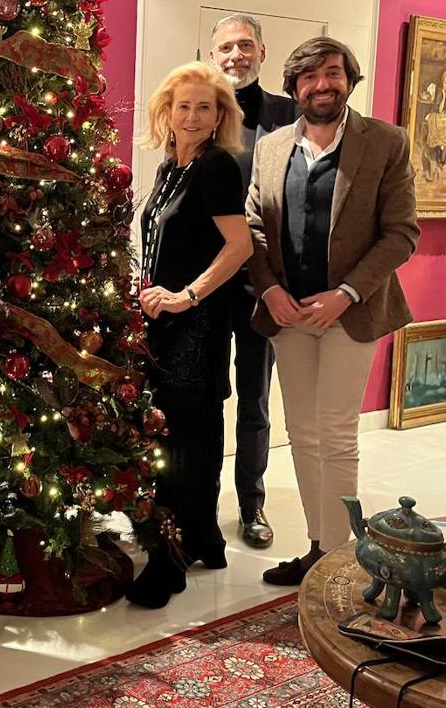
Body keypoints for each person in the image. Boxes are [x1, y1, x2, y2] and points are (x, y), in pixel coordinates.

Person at [245, 36, 418, 586]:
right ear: (294, 86)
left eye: (334, 74)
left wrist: (345, 293)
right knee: (302, 431)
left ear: (349, 79)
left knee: (337, 433)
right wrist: (268, 288)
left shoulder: (385, 142)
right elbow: (252, 226)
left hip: (350, 313)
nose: (323, 84)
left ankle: (341, 560)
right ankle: (318, 548)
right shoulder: (271, 146)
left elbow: (401, 234)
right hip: (289, 315)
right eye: (311, 76)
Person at [127, 61, 253, 609]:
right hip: (163, 319)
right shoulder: (169, 166)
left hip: (196, 323)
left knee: (183, 436)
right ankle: (202, 538)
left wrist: (186, 295)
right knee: (183, 432)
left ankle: (169, 561)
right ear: (167, 112)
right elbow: (167, 239)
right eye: (184, 106)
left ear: (220, 114)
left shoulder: (217, 166)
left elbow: (239, 246)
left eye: (206, 107)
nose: (194, 116)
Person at [209, 13, 300, 550]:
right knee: (200, 397)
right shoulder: (198, 107)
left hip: (261, 285)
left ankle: (251, 503)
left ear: (262, 52)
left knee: (255, 401)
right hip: (203, 285)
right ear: (212, 53)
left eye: (245, 45)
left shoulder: (289, 115)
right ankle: (195, 503)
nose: (235, 55)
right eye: (226, 47)